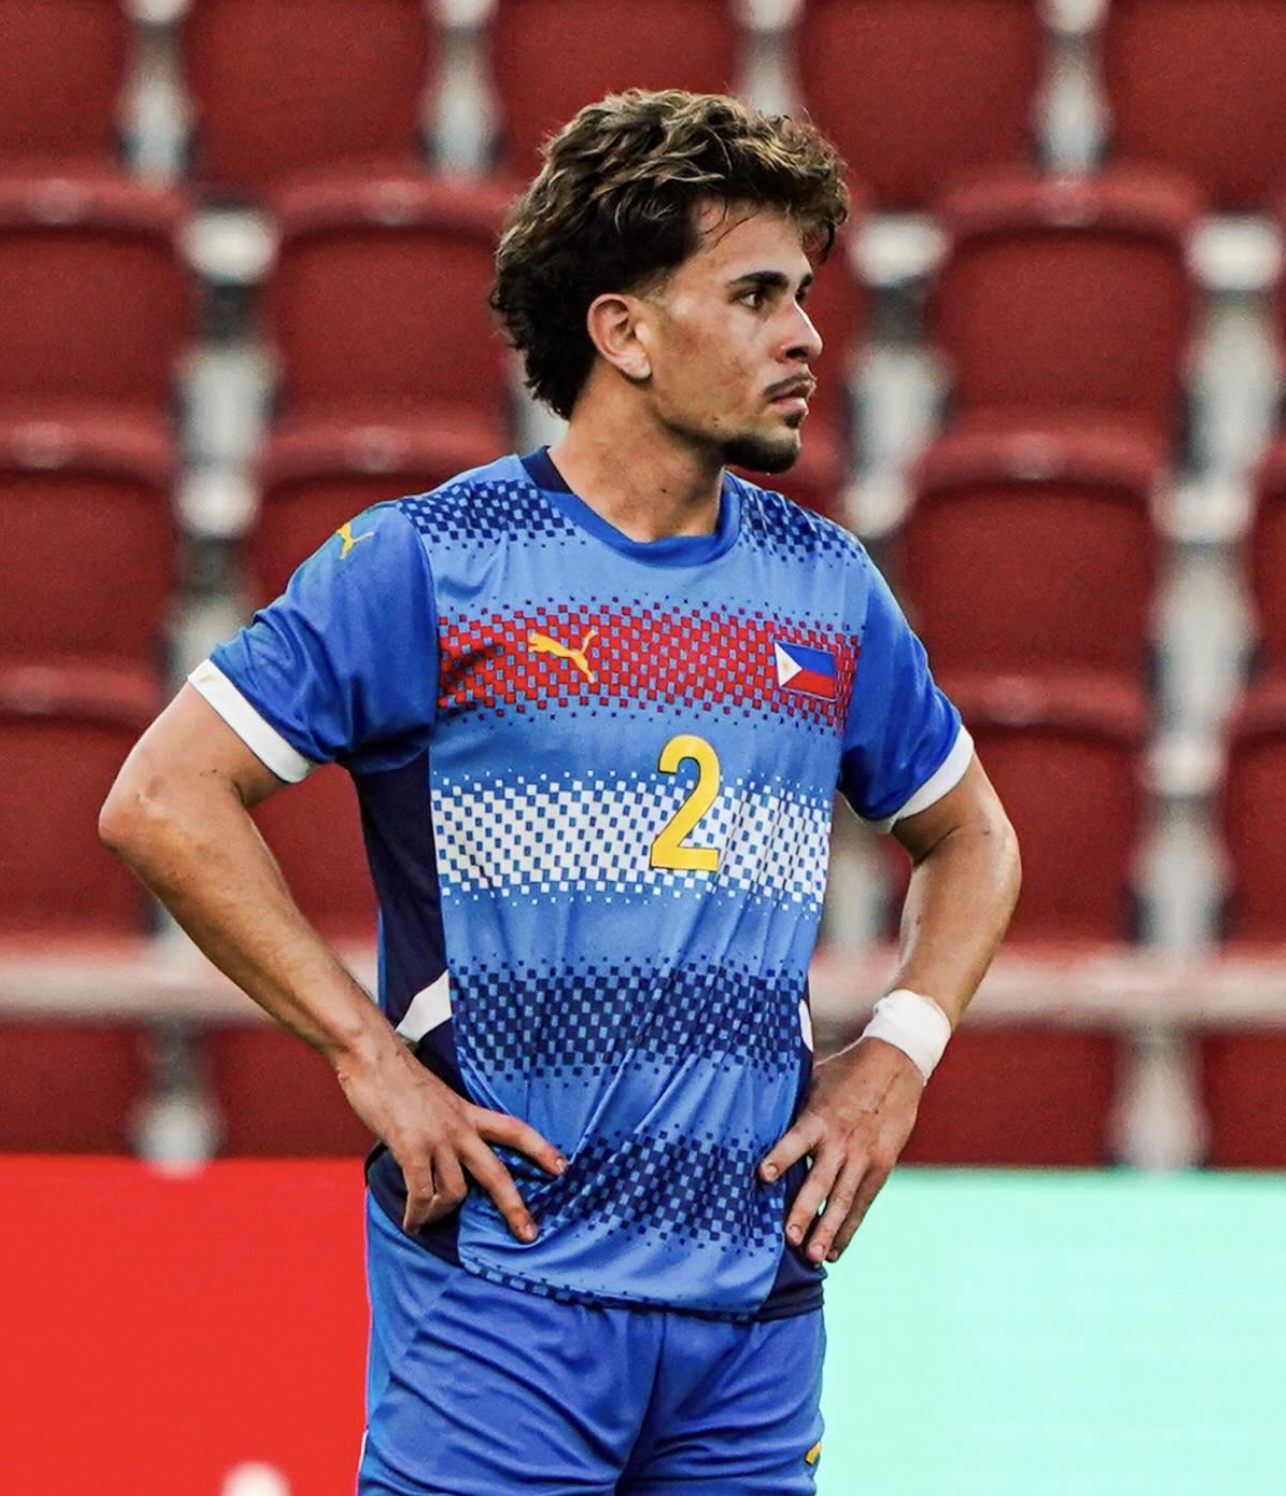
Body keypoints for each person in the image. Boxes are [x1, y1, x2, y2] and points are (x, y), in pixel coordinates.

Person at [101, 89, 1020, 1496]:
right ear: (624, 331)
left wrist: (895, 1055)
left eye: (802, 293)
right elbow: (163, 798)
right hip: (503, 1295)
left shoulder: (825, 589)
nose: (805, 335)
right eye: (756, 293)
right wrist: (369, 1060)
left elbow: (970, 836)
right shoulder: (425, 564)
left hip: (751, 1309)